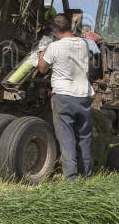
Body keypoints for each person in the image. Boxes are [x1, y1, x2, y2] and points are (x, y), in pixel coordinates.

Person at [38, 13, 93, 180]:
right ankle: (87, 175)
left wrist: (41, 51)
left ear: (55, 31)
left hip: (63, 97)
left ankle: (71, 179)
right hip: (83, 96)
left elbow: (42, 69)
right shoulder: (83, 44)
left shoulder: (55, 47)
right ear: (70, 26)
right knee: (84, 138)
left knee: (67, 139)